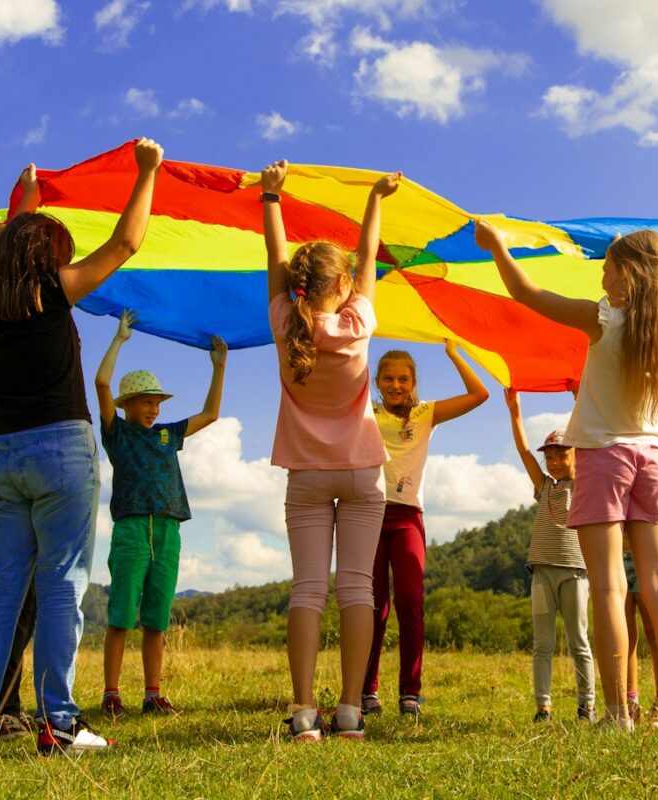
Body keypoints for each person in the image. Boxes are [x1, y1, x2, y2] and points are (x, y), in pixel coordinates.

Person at [0, 137, 164, 756]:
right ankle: (60, 724)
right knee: (63, 585)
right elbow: (126, 243)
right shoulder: (52, 292)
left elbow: (5, 254)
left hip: (1, 458)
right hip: (61, 453)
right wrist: (146, 172)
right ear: (46, 257)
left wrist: (28, 199)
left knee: (0, 589)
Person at [475, 221, 658, 734]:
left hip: (602, 456)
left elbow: (526, 292)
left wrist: (498, 247)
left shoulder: (605, 319)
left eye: (609, 264)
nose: (602, 270)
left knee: (607, 587)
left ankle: (619, 713)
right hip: (651, 457)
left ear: (629, 275)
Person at [262, 159, 401, 741]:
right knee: (357, 590)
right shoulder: (358, 324)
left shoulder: (283, 323)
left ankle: (301, 713)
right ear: (342, 288)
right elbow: (370, 257)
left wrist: (272, 196)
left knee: (308, 590)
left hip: (306, 477)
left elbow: (274, 261)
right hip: (363, 474)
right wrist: (375, 197)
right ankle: (348, 711)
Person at [95, 309, 227, 719]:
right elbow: (101, 383)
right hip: (132, 529)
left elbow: (211, 414)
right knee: (120, 616)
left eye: (156, 402)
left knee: (157, 619)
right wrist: (119, 340)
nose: (153, 409)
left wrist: (219, 368)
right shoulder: (117, 434)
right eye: (146, 403)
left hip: (169, 529)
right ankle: (112, 694)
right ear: (128, 405)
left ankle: (152, 693)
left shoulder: (169, 434)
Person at [361, 344, 488, 717]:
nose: (396, 384)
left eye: (403, 378)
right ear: (377, 381)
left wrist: (454, 352)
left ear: (414, 382)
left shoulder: (424, 413)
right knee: (373, 607)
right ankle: (368, 690)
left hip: (407, 518)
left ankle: (409, 693)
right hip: (368, 514)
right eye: (388, 378)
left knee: (410, 602)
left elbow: (479, 394)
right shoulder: (366, 411)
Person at [506, 391, 596, 724]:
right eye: (551, 457)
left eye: (562, 455)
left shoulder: (585, 483)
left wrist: (581, 398)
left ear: (576, 455)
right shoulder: (544, 486)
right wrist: (516, 413)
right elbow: (524, 451)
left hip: (574, 573)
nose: (555, 462)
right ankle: (543, 707)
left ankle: (587, 705)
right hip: (542, 573)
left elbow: (591, 435)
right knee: (542, 643)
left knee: (579, 641)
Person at [624, 555, 658, 727]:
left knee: (654, 631)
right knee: (624, 635)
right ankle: (630, 703)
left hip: (644, 556)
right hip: (617, 558)